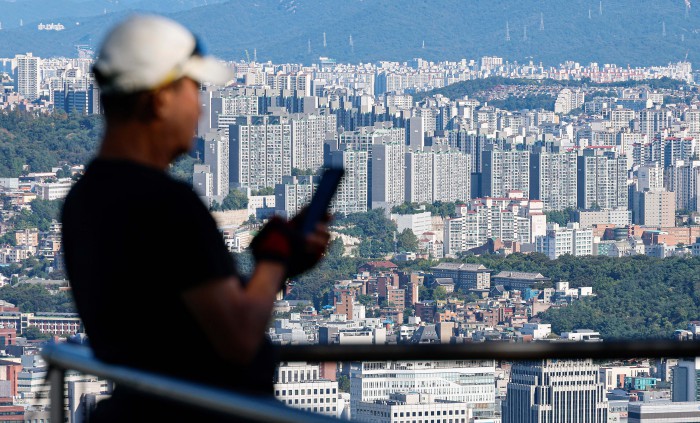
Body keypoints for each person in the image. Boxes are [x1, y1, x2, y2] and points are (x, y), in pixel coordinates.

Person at [60, 14, 330, 422]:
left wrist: (275, 266)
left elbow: (175, 318)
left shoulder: (84, 199)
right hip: (197, 414)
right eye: (194, 91)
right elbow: (237, 338)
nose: (200, 107)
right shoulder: (166, 205)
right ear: (160, 100)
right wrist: (275, 257)